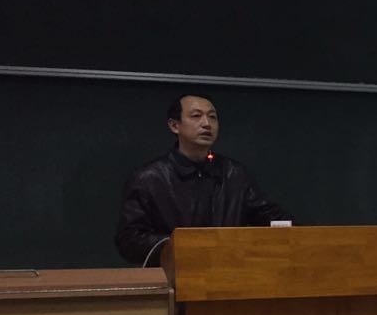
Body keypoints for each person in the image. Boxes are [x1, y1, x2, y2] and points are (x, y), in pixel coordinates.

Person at [115, 93, 292, 265]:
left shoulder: (234, 174)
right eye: (196, 116)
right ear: (174, 125)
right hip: (173, 276)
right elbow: (129, 240)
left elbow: (271, 217)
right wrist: (186, 245)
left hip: (228, 273)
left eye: (212, 117)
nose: (207, 124)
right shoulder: (148, 178)